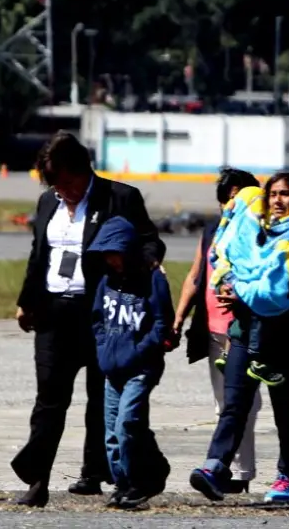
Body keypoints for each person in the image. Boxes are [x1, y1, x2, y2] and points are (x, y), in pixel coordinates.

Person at [12, 131, 165, 508]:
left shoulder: (120, 198)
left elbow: (150, 241)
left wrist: (144, 265)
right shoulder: (48, 202)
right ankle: (37, 480)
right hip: (53, 313)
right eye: (54, 185)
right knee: (49, 399)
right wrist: (26, 301)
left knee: (102, 399)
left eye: (66, 182)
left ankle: (104, 472)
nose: (61, 191)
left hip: (100, 314)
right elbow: (39, 255)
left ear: (82, 170)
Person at [190, 173, 289, 504]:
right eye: (273, 195)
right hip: (245, 332)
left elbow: (280, 287)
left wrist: (243, 293)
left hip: (286, 335)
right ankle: (214, 467)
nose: (278, 200)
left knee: (284, 409)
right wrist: (231, 285)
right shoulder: (255, 231)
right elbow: (229, 261)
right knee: (234, 404)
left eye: (286, 194)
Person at [171, 167, 262, 494]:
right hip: (212, 330)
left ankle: (238, 472)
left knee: (244, 404)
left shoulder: (260, 234)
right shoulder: (212, 232)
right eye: (228, 199)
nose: (232, 205)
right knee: (223, 403)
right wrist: (178, 317)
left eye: (240, 198)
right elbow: (196, 276)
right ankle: (229, 470)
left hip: (246, 329)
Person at [89, 217, 174, 509]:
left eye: (116, 253)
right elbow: (98, 319)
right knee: (112, 432)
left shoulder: (154, 280)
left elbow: (163, 323)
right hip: (112, 368)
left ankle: (142, 480)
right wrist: (102, 349)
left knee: (128, 424)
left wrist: (139, 351)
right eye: (107, 255)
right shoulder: (106, 282)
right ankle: (122, 483)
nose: (111, 260)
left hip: (141, 368)